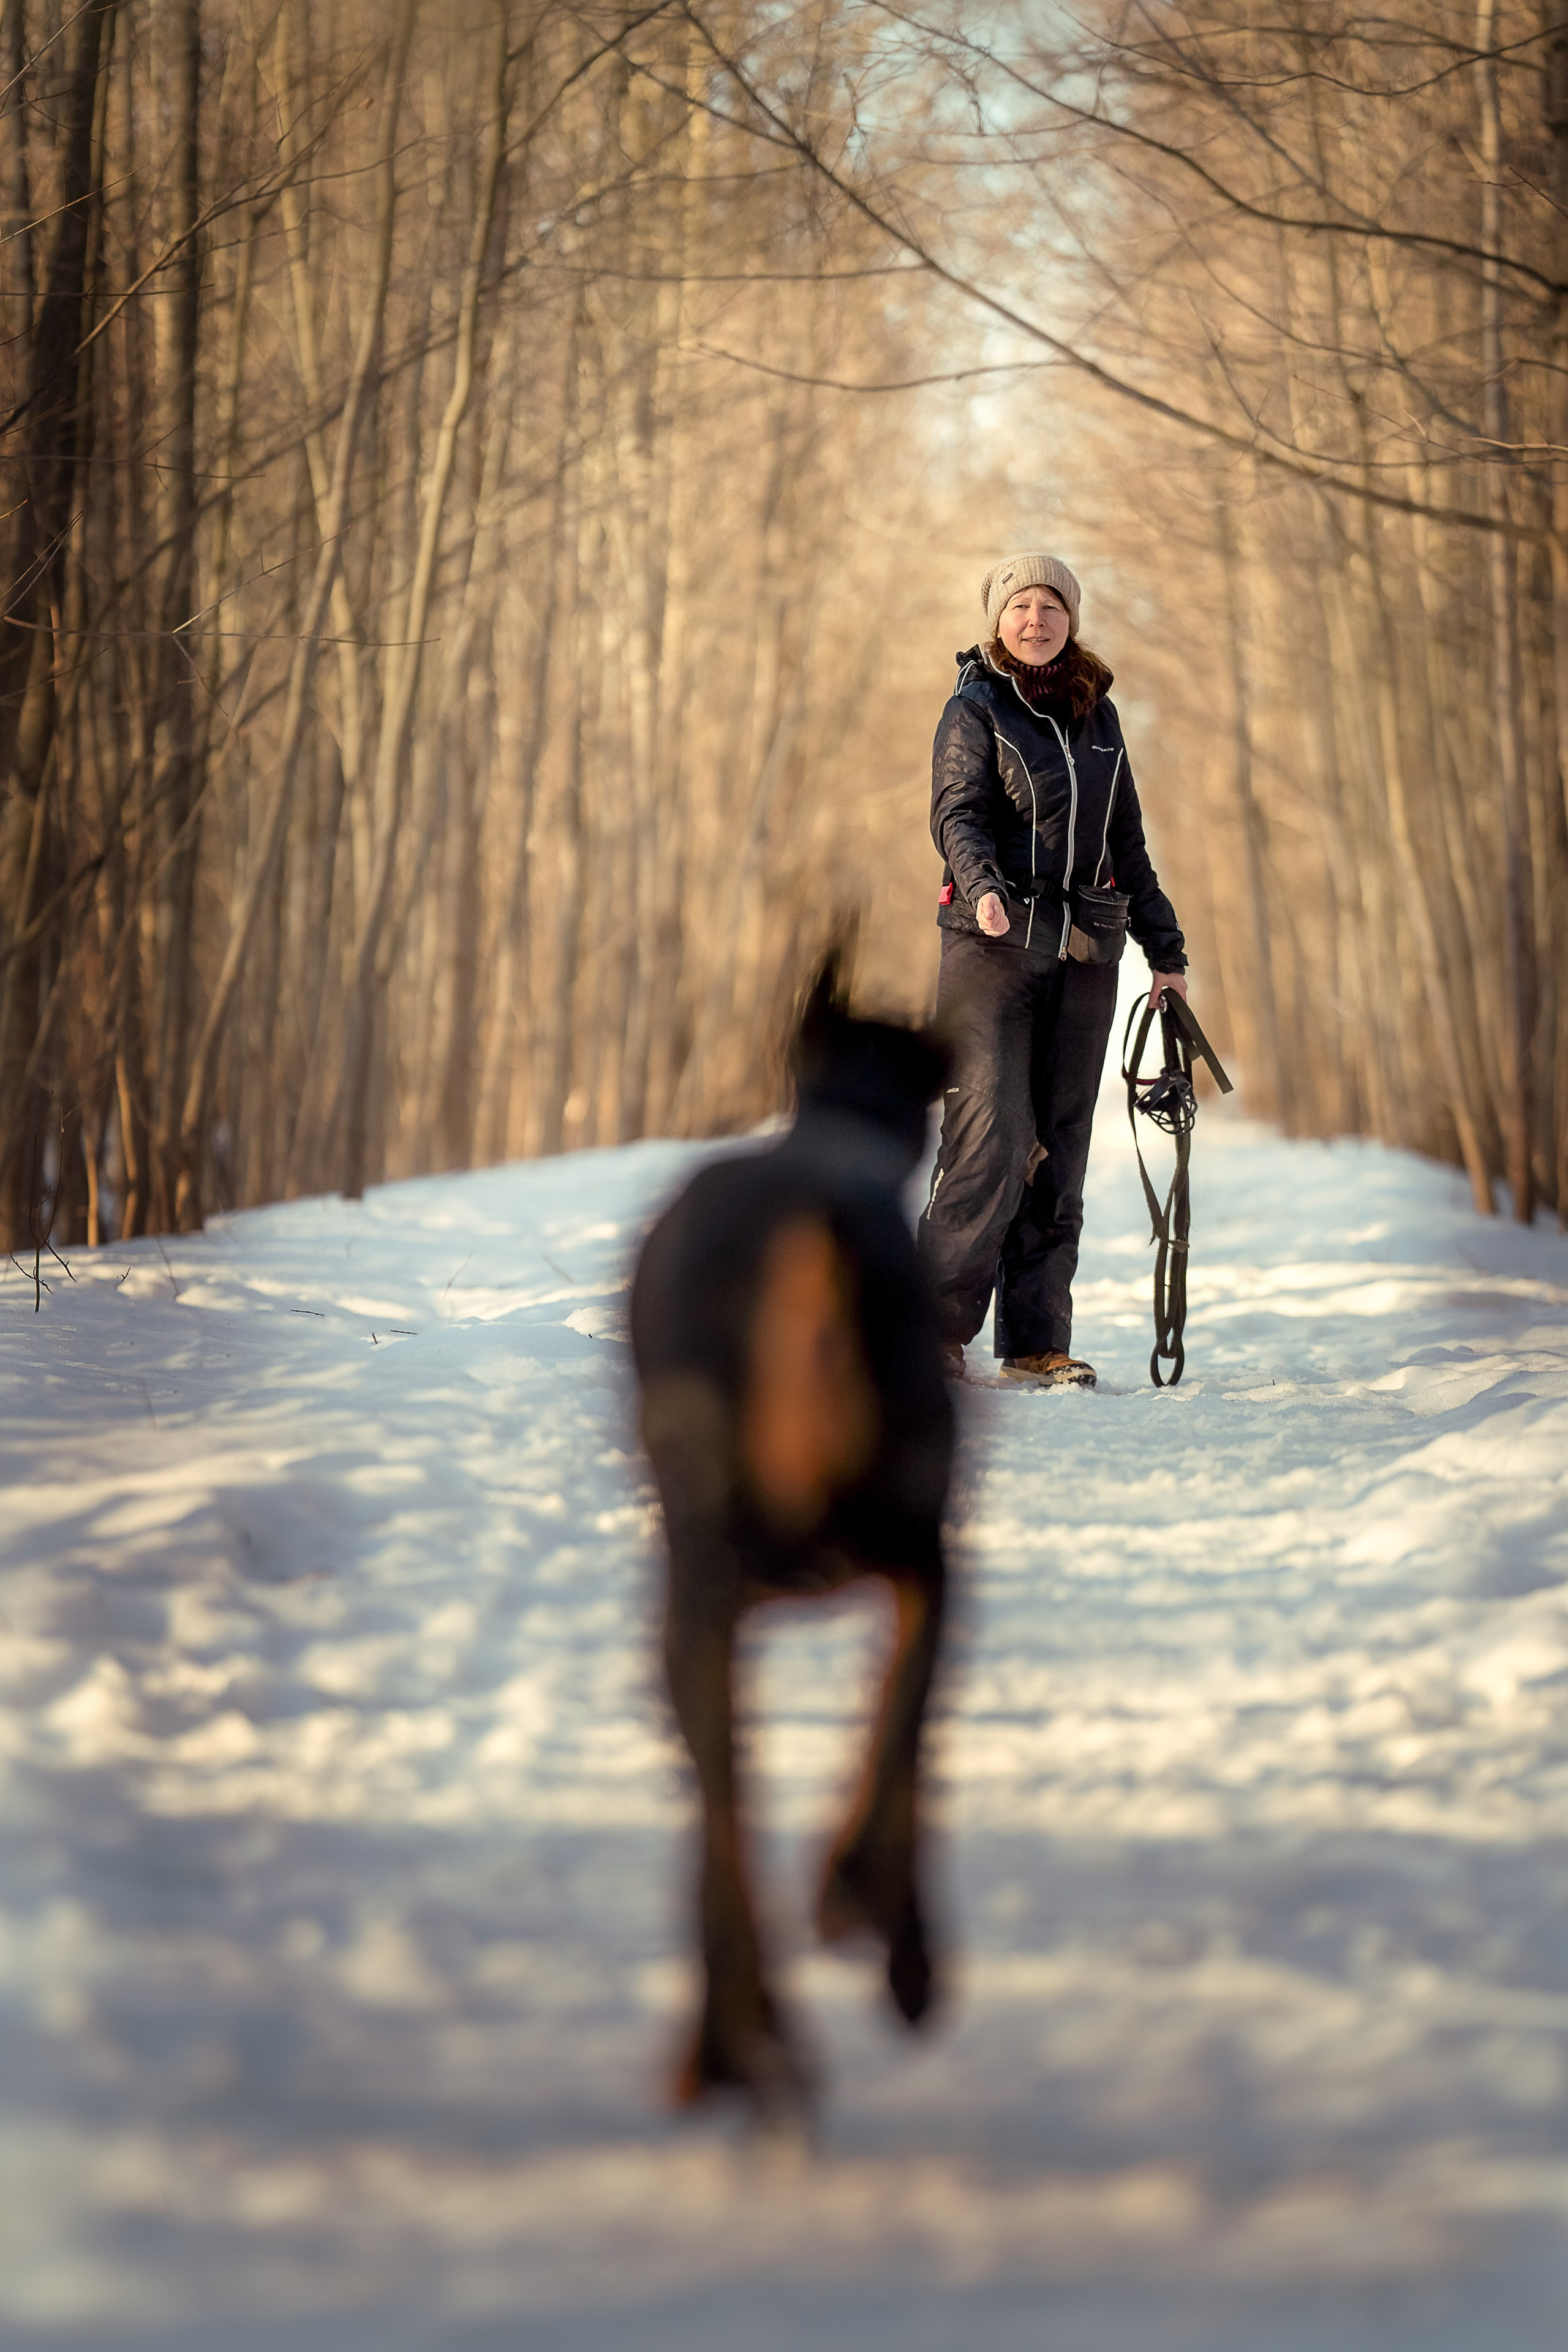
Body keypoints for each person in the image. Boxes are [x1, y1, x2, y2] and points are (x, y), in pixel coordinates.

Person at [916, 552, 1188, 1389]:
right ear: (998, 620)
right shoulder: (974, 708)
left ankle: (1036, 1342)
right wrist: (984, 889)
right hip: (990, 951)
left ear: (1071, 619)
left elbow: (1127, 843)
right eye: (1021, 607)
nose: (1035, 620)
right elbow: (957, 813)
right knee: (990, 1138)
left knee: (1060, 1151)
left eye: (1051, 607)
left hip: (1085, 958)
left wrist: (1166, 953)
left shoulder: (1099, 716)